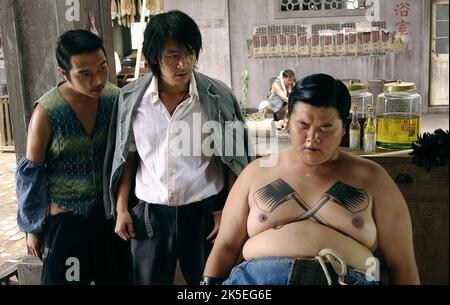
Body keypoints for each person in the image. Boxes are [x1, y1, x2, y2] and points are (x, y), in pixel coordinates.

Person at [202, 73, 420, 285]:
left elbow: (402, 264)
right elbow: (226, 247)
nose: (312, 138)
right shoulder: (256, 173)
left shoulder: (373, 178)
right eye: (303, 125)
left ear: (344, 128)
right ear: (287, 122)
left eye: (326, 127)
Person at [103, 10, 253, 285]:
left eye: (190, 53)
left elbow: (234, 160)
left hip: (205, 212)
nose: (183, 64)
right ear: (153, 57)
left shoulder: (217, 97)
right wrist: (122, 207)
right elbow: (128, 157)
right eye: (173, 55)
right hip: (150, 214)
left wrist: (228, 213)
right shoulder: (131, 100)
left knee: (212, 282)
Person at [16, 29, 131, 284]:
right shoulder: (47, 112)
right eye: (85, 75)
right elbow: (30, 173)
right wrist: (32, 228)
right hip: (66, 221)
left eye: (102, 68)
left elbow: (126, 157)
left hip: (108, 218)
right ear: (64, 74)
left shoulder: (116, 99)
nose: (98, 80)